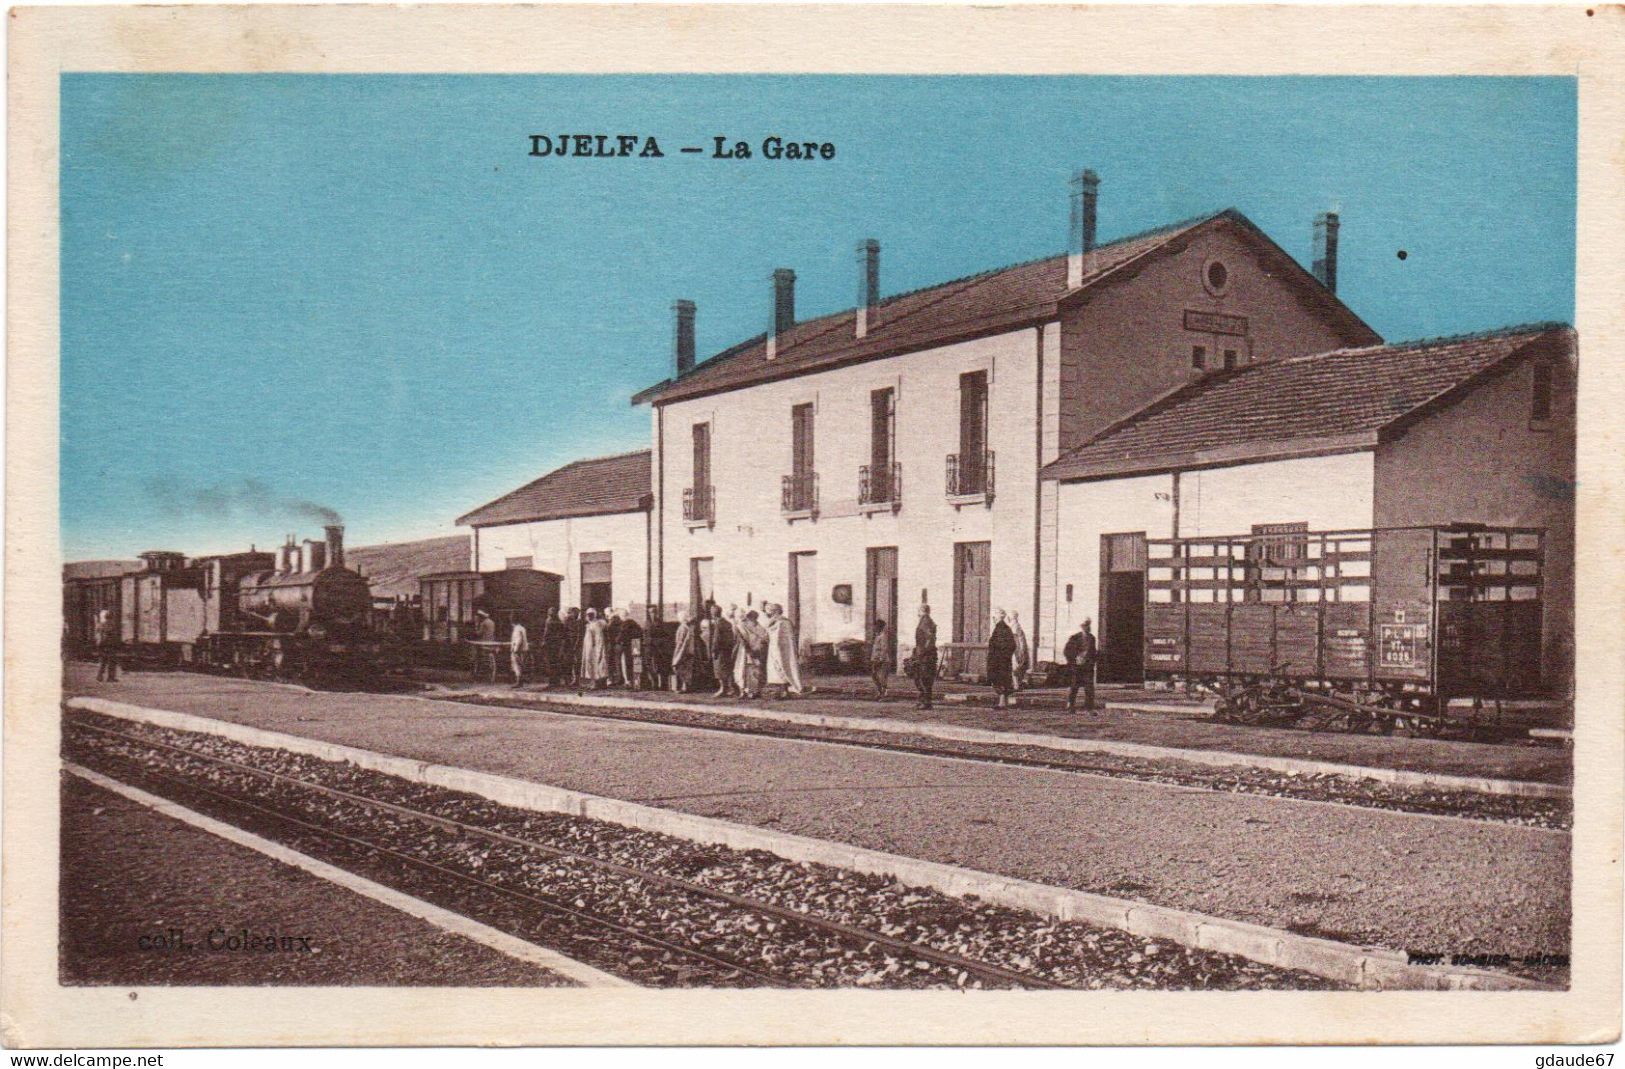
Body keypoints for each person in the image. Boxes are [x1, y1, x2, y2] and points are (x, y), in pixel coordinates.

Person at [765, 603, 805, 697]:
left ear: (777, 611)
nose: (771, 614)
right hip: (774, 649)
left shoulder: (784, 622)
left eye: (772, 612)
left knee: (785, 666)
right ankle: (782, 690)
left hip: (784, 649)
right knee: (777, 668)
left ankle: (786, 690)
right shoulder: (773, 622)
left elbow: (786, 637)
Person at [1064, 617, 1100, 713]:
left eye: (1088, 625)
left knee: (1089, 688)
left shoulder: (1092, 638)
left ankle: (1089, 708)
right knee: (1074, 686)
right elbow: (1067, 651)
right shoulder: (1074, 638)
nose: (1087, 627)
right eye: (1085, 625)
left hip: (1088, 666)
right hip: (1077, 667)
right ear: (1081, 627)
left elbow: (1093, 651)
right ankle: (1070, 705)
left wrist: (1094, 659)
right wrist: (1075, 659)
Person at [986, 609, 1017, 709]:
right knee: (1005, 679)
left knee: (999, 679)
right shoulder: (1007, 628)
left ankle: (1002, 703)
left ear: (996, 618)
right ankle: (1004, 702)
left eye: (994, 617)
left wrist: (998, 656)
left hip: (998, 659)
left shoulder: (999, 629)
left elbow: (996, 645)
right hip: (1005, 659)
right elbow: (1012, 645)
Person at [706, 603, 737, 697]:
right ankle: (730, 689)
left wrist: (713, 651)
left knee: (720, 670)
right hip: (727, 650)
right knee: (727, 669)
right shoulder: (726, 622)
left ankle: (723, 689)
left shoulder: (718, 624)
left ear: (713, 613)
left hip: (720, 651)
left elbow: (716, 639)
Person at [910, 604, 938, 709]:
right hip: (922, 653)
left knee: (924, 678)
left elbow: (930, 638)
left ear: (922, 611)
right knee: (919, 677)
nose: (917, 612)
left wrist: (923, 653)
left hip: (926, 655)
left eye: (918, 610)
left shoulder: (926, 621)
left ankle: (926, 702)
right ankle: (923, 700)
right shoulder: (924, 621)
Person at [737, 609, 767, 698]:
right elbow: (741, 638)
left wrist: (757, 649)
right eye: (750, 618)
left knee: (755, 672)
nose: (751, 620)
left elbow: (764, 640)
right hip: (744, 652)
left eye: (753, 619)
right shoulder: (743, 626)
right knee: (742, 671)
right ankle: (743, 691)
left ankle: (754, 691)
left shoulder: (760, 628)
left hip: (756, 652)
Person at [671, 610, 699, 693]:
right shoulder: (688, 628)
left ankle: (682, 687)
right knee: (687, 669)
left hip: (683, 651)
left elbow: (680, 642)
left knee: (679, 667)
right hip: (689, 651)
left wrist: (677, 652)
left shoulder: (682, 628)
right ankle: (686, 686)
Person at [618, 609, 644, 689]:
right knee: (637, 664)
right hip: (636, 644)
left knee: (627, 665)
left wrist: (618, 641)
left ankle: (629, 683)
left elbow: (621, 637)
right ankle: (637, 683)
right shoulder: (634, 623)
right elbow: (640, 633)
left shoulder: (624, 624)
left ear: (622, 616)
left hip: (628, 646)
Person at [540, 607, 565, 687]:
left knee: (551, 663)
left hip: (552, 644)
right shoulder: (559, 622)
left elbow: (546, 633)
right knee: (554, 663)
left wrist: (544, 641)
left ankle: (553, 681)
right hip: (555, 644)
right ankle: (555, 681)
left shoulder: (550, 621)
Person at [94, 607, 120, 683]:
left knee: (103, 661)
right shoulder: (110, 624)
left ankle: (99, 676)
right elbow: (113, 635)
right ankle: (110, 677)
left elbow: (97, 634)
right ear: (111, 617)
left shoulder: (100, 624)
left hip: (101, 645)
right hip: (109, 645)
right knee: (111, 661)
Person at [868, 618, 891, 700]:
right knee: (875, 676)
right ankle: (880, 692)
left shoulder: (883, 636)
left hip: (883, 661)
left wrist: (881, 659)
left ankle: (883, 694)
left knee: (882, 678)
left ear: (879, 627)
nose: (874, 628)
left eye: (876, 627)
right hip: (876, 659)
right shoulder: (878, 636)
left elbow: (884, 649)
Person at [1011, 611, 1032, 691]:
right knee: (1016, 668)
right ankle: (1017, 684)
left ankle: (1017, 685)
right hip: (1018, 649)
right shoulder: (1016, 626)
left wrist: (1019, 650)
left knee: (1015, 667)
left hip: (1017, 650)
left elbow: (1018, 640)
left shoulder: (1015, 627)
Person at [563, 607, 585, 686]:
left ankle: (576, 679)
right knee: (568, 662)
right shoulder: (567, 621)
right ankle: (568, 679)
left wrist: (577, 644)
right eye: (574, 613)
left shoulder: (580, 622)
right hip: (569, 643)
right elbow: (564, 632)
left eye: (577, 613)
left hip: (577, 644)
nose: (576, 614)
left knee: (577, 662)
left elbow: (580, 634)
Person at [509, 616, 530, 687]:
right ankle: (520, 681)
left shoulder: (517, 629)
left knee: (517, 665)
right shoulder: (522, 628)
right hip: (524, 649)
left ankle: (519, 682)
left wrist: (515, 650)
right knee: (521, 665)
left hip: (519, 650)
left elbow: (519, 639)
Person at [605, 610, 624, 686]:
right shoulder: (620, 623)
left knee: (612, 662)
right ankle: (617, 679)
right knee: (616, 662)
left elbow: (608, 633)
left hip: (613, 644)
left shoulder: (610, 623)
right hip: (614, 644)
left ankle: (613, 679)